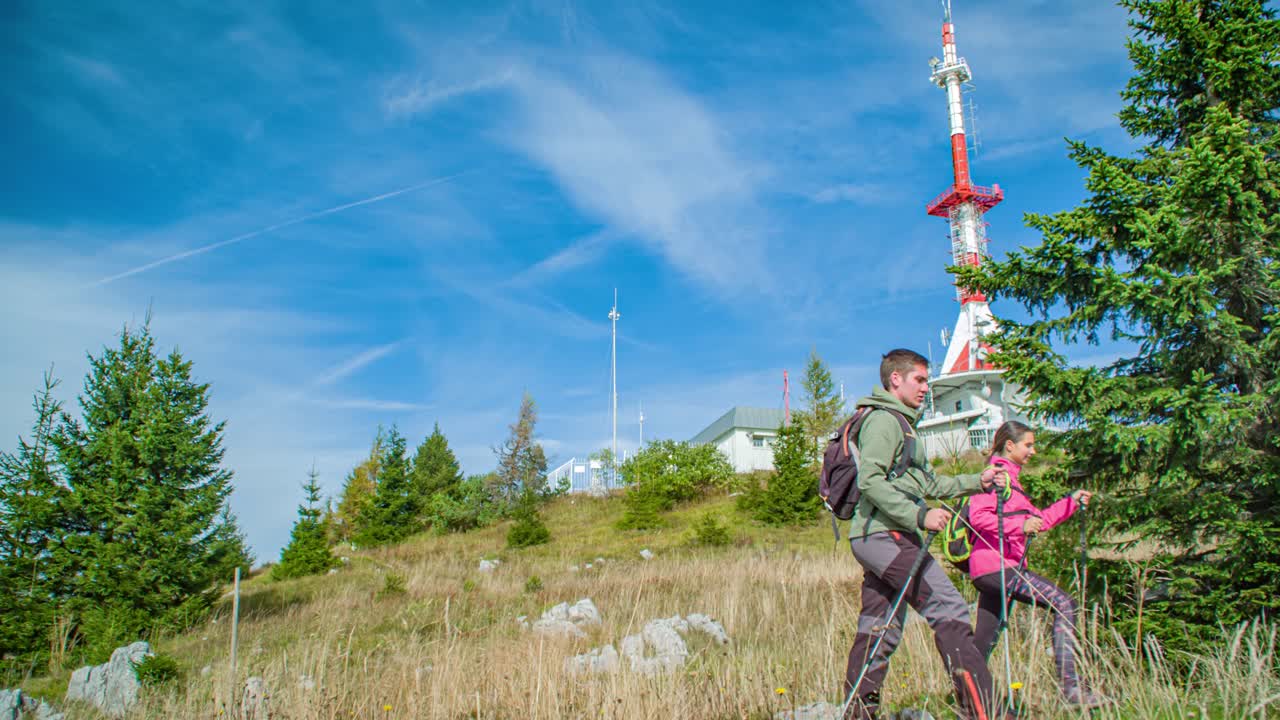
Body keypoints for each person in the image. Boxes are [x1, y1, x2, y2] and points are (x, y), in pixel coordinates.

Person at [845, 349, 1009, 720]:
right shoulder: (884, 421)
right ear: (896, 379)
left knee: (880, 625)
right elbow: (870, 481)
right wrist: (919, 514)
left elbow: (930, 483)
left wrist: (978, 481)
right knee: (949, 608)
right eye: (919, 380)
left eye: (926, 380)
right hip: (884, 534)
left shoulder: (905, 426)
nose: (925, 388)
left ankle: (858, 713)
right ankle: (987, 712)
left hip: (883, 536)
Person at [967, 420, 1108, 708]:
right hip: (1000, 566)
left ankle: (968, 703)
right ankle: (1072, 688)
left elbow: (1038, 520)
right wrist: (1020, 526)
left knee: (983, 642)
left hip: (994, 568)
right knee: (1064, 604)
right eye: (1028, 445)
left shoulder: (1013, 482)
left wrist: (1071, 502)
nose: (1033, 451)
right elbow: (978, 518)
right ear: (1010, 446)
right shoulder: (996, 475)